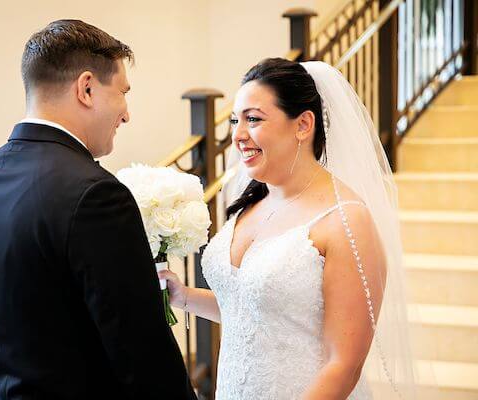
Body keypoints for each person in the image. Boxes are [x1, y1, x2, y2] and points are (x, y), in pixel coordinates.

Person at [0, 19, 197, 400]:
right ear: (86, 88)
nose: (127, 113)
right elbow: (143, 354)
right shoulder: (97, 195)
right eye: (122, 92)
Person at [159, 58, 415, 399]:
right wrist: (185, 296)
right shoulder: (251, 202)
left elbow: (344, 364)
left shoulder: (346, 220)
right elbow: (257, 309)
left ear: (303, 124)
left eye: (253, 119)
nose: (237, 135)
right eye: (236, 120)